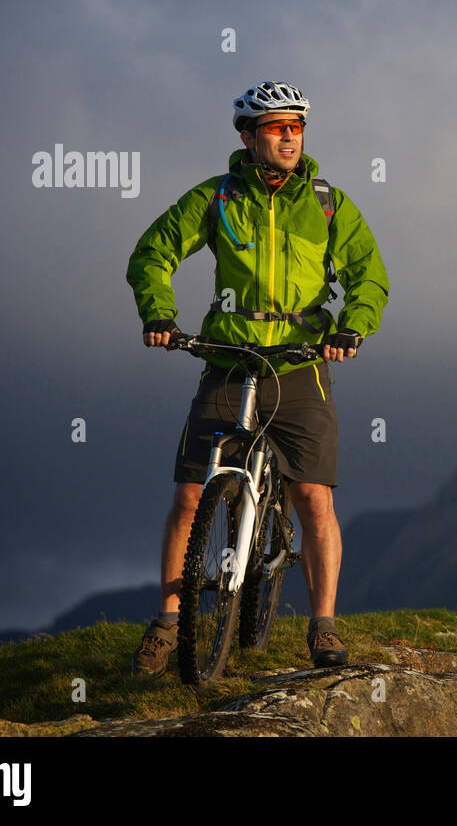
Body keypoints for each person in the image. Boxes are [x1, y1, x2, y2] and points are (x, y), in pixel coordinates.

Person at [125, 80, 388, 675]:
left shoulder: (327, 204)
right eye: (276, 126)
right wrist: (159, 313)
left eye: (297, 125)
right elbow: (153, 253)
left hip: (301, 365)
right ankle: (168, 624)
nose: (290, 135)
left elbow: (369, 275)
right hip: (228, 360)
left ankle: (323, 625)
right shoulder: (216, 198)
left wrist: (353, 326)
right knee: (192, 493)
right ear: (248, 137)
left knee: (313, 497)